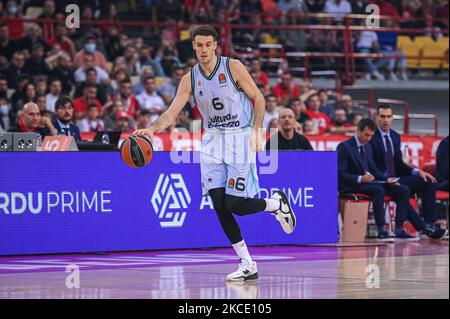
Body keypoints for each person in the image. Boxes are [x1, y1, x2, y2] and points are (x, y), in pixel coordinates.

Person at [134, 25, 296, 282]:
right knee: (219, 205)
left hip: (240, 137)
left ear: (216, 45)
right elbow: (173, 111)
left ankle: (277, 204)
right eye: (199, 45)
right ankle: (247, 263)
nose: (204, 50)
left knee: (236, 205)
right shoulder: (190, 78)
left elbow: (259, 98)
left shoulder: (233, 67)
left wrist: (256, 130)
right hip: (212, 141)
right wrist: (152, 129)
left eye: (208, 44)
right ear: (194, 47)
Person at [338, 118, 447, 240]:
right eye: (366, 135)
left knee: (402, 189)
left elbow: (374, 170)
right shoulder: (344, 147)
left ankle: (399, 229)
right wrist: (360, 178)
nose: (368, 138)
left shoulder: (367, 147)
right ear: (358, 130)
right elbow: (340, 173)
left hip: (369, 182)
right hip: (352, 184)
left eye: (371, 136)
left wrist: (387, 179)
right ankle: (381, 230)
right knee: (378, 189)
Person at [370, 104, 441, 227]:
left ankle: (429, 223)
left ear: (392, 118)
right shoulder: (370, 136)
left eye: (388, 116)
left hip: (397, 178)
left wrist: (417, 172)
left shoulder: (395, 136)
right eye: (382, 116)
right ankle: (423, 228)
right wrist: (386, 179)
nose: (386, 120)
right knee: (402, 191)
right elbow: (370, 165)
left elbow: (399, 163)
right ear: (376, 117)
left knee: (428, 181)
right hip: (381, 181)